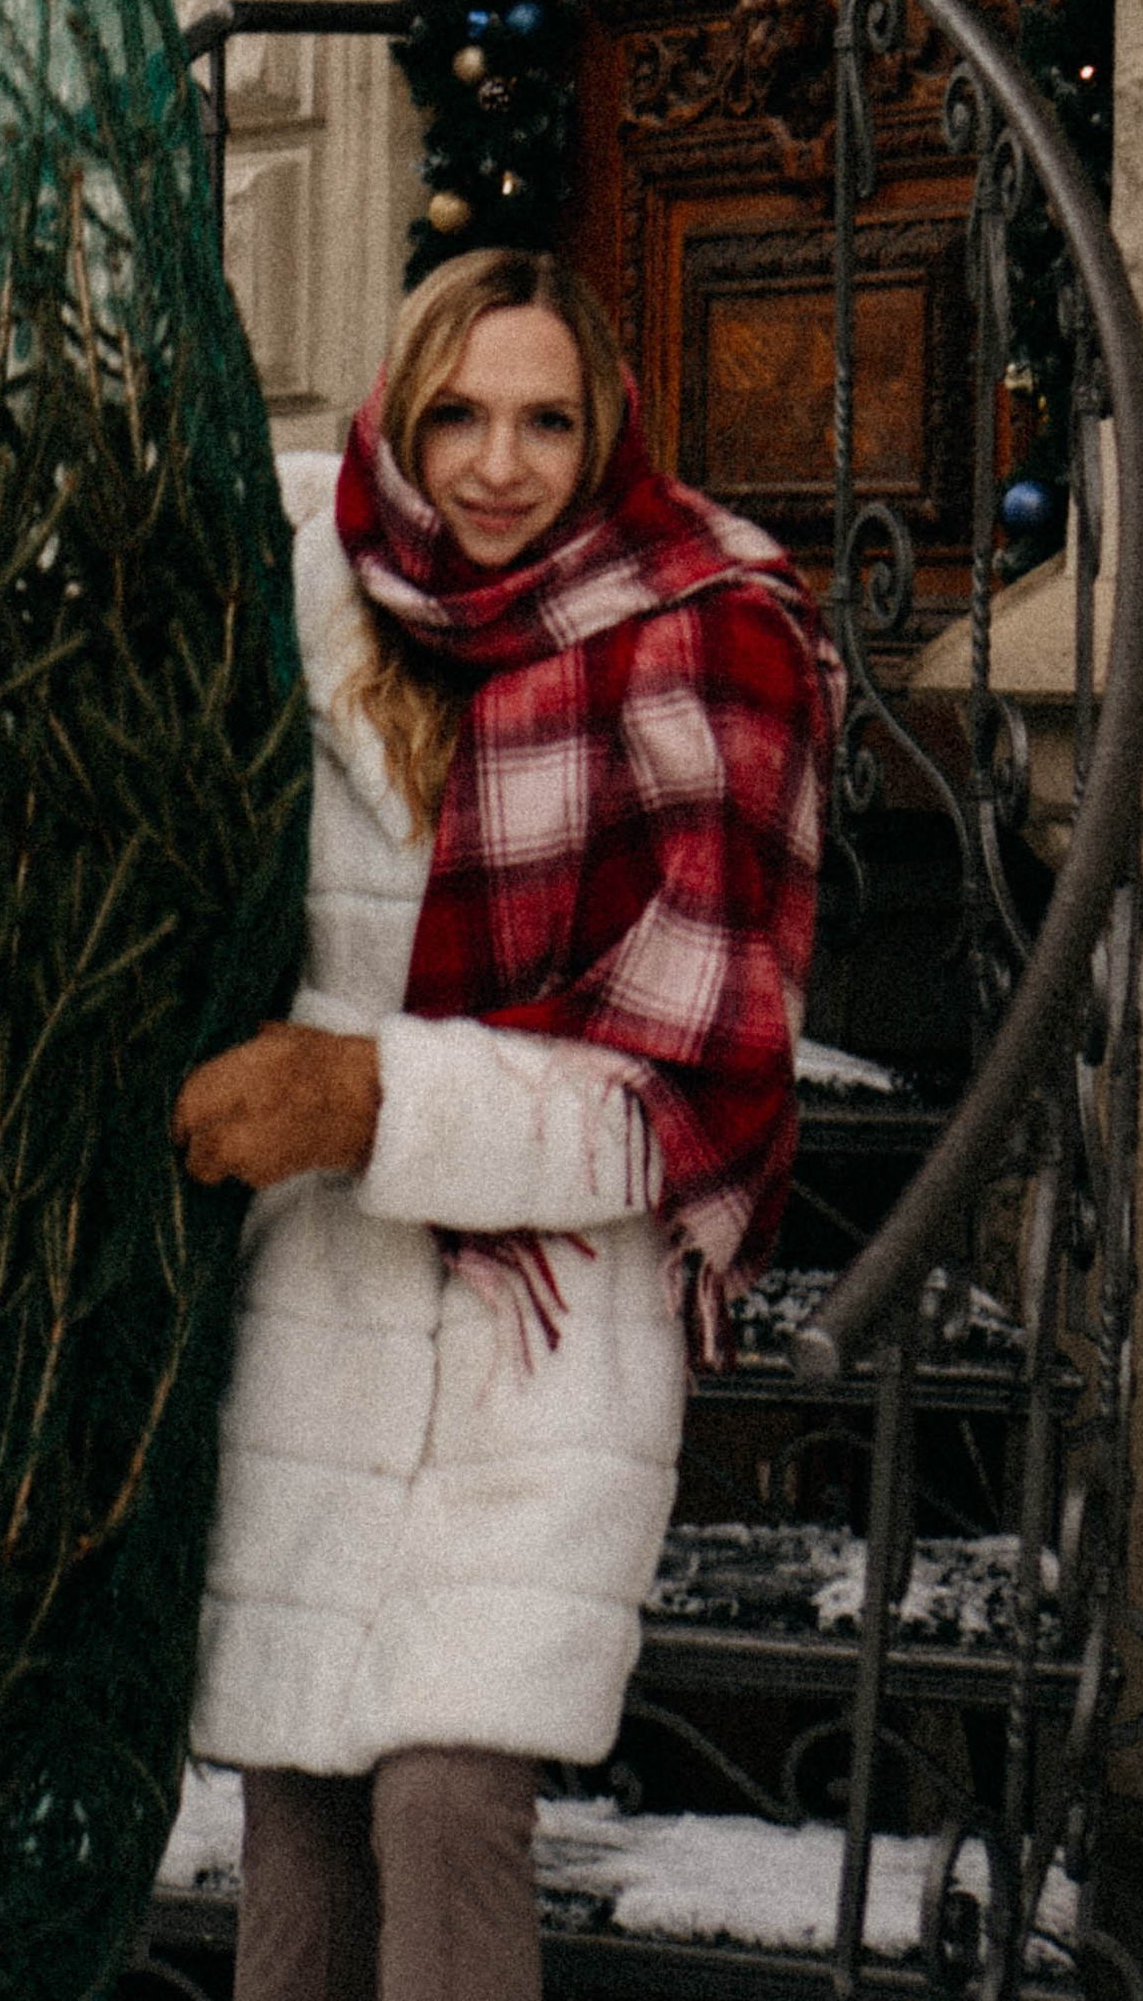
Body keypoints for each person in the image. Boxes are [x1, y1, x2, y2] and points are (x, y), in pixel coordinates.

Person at [172, 247, 840, 2001]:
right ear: (396, 417)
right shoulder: (315, 593)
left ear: (608, 429)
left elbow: (687, 1098)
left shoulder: (714, 638)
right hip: (313, 1300)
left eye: (546, 420)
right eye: (456, 414)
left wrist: (373, 1095)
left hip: (543, 1321)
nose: (494, 466)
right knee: (299, 1805)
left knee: (453, 1796)